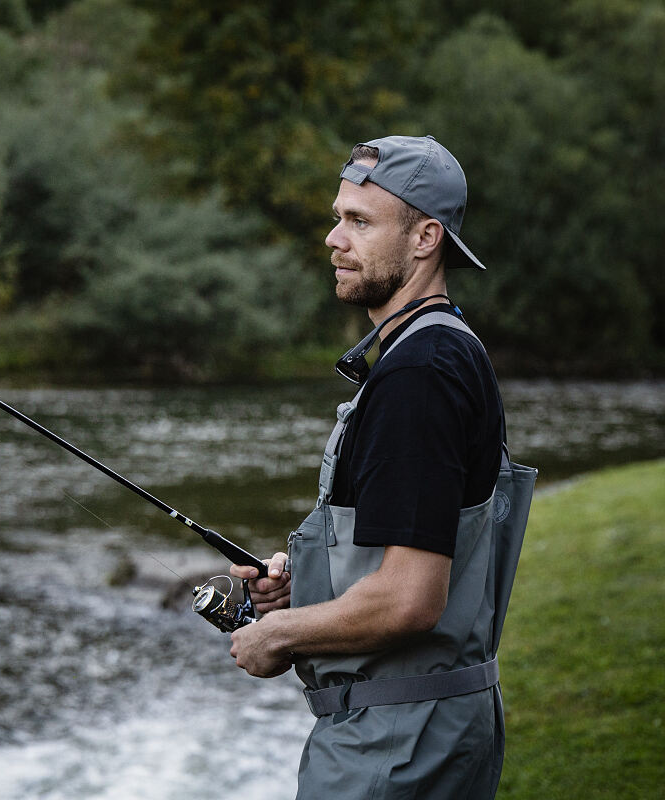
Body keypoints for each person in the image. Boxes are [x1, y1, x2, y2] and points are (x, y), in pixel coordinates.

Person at [227, 135, 534, 799]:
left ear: (425, 238)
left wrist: (277, 633)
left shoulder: (419, 373)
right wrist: (304, 584)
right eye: (338, 217)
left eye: (360, 222)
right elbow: (414, 546)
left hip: (397, 747)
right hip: (427, 729)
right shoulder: (442, 348)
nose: (334, 239)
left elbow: (408, 598)